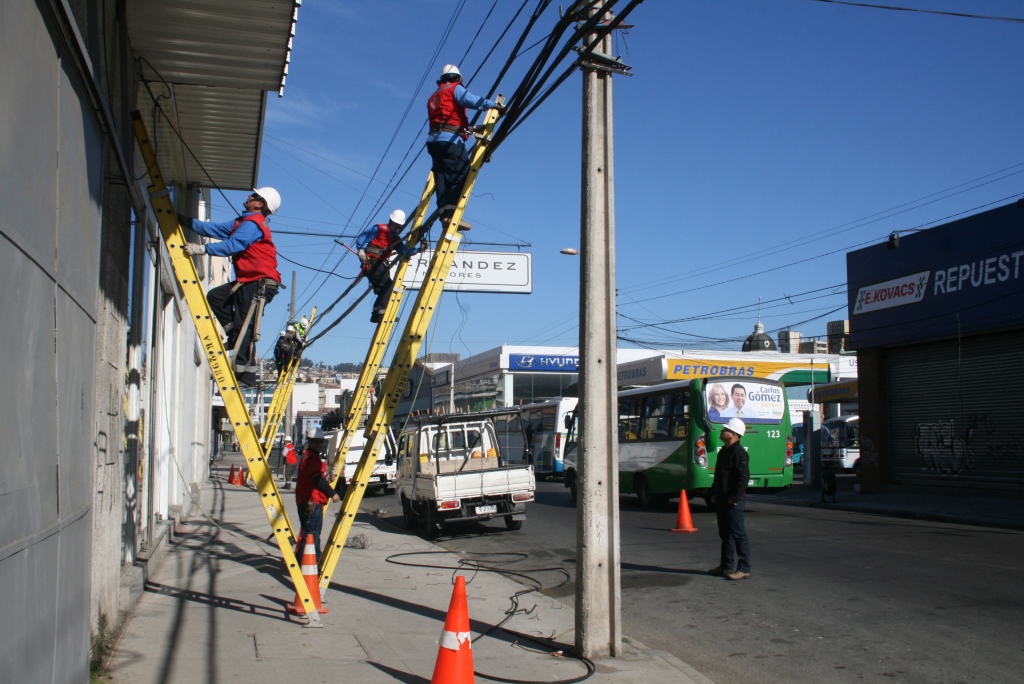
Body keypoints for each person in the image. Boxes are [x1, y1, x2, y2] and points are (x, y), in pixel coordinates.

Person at [180, 187, 283, 387]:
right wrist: (186, 221)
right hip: (248, 281)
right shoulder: (242, 222)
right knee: (217, 297)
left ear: (259, 204)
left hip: (259, 282)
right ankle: (234, 334)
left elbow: (234, 245)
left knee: (246, 326)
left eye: (253, 196)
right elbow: (215, 230)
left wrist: (202, 249)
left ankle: (246, 377)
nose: (248, 196)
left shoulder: (253, 224)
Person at [426, 64, 501, 227]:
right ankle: (452, 212)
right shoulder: (455, 89)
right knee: (462, 171)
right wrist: (493, 105)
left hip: (434, 142)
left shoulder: (434, 97)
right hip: (450, 140)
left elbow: (448, 117)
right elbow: (471, 100)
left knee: (442, 176)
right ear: (458, 78)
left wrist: (470, 129)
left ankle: (444, 215)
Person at [356, 209, 424, 323]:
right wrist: (361, 250)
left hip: (379, 263)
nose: (395, 226)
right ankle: (381, 312)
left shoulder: (396, 239)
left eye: (398, 225)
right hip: (373, 261)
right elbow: (362, 237)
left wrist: (419, 249)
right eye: (394, 223)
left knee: (383, 290)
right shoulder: (379, 228)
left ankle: (377, 314)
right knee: (388, 287)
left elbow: (405, 251)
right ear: (390, 220)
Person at [708, 418, 751, 581]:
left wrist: (734, 498)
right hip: (721, 499)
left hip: (733, 502)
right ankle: (726, 565)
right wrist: (713, 492)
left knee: (738, 534)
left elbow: (743, 478)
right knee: (726, 534)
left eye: (725, 429)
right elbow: (719, 476)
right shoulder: (723, 452)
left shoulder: (739, 453)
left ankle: (744, 567)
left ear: (733, 434)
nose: (721, 431)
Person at [294, 427, 340, 564]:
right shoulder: (312, 459)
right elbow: (317, 480)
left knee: (309, 533)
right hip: (312, 502)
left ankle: (302, 561)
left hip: (310, 501)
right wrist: (333, 493)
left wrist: (326, 478)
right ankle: (311, 563)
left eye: (321, 442)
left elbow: (314, 478)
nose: (321, 445)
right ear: (311, 442)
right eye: (318, 442)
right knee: (311, 534)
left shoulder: (309, 458)